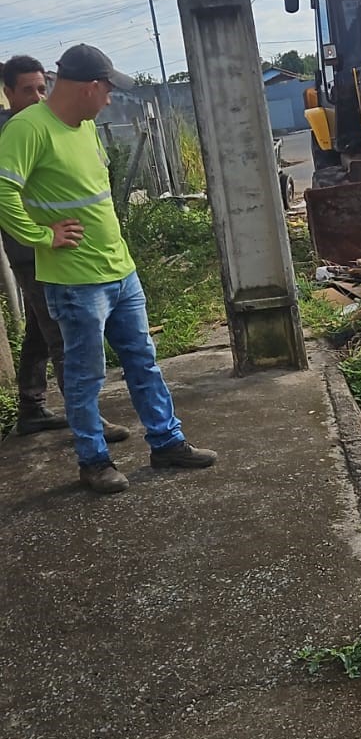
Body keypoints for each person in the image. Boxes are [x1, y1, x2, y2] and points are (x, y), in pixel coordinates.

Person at [0, 44, 216, 494]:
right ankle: (94, 461)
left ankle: (166, 442)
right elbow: (3, 192)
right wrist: (43, 237)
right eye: (108, 90)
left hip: (120, 271)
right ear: (88, 87)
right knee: (84, 376)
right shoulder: (28, 129)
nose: (111, 100)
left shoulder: (85, 126)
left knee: (143, 361)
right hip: (75, 281)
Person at [1, 56, 129, 441]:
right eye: (28, 90)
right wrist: (42, 236)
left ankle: (31, 405)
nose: (38, 96)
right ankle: (86, 424)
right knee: (63, 338)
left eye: (43, 87)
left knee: (42, 330)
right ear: (8, 93)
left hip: (58, 249)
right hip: (34, 251)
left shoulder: (56, 124)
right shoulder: (15, 132)